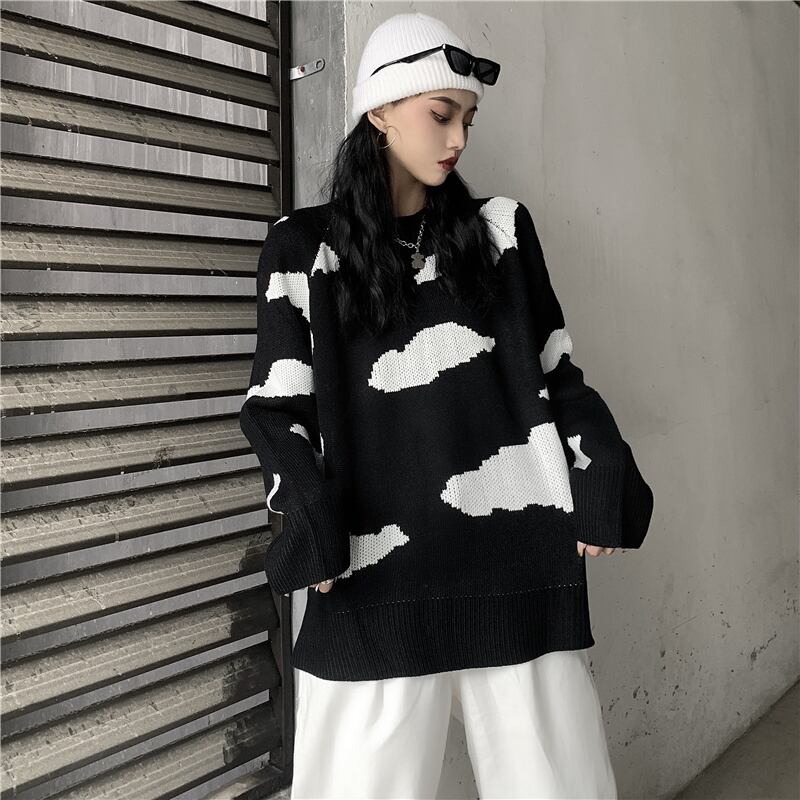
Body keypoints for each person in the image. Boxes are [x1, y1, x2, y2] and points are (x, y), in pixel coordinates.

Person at [239, 11, 654, 799]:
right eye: (441, 113)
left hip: (515, 566)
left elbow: (558, 375)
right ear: (379, 111)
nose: (459, 137)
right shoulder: (302, 247)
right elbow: (275, 409)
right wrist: (311, 523)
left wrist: (600, 470)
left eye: (468, 118)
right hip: (369, 576)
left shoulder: (501, 232)